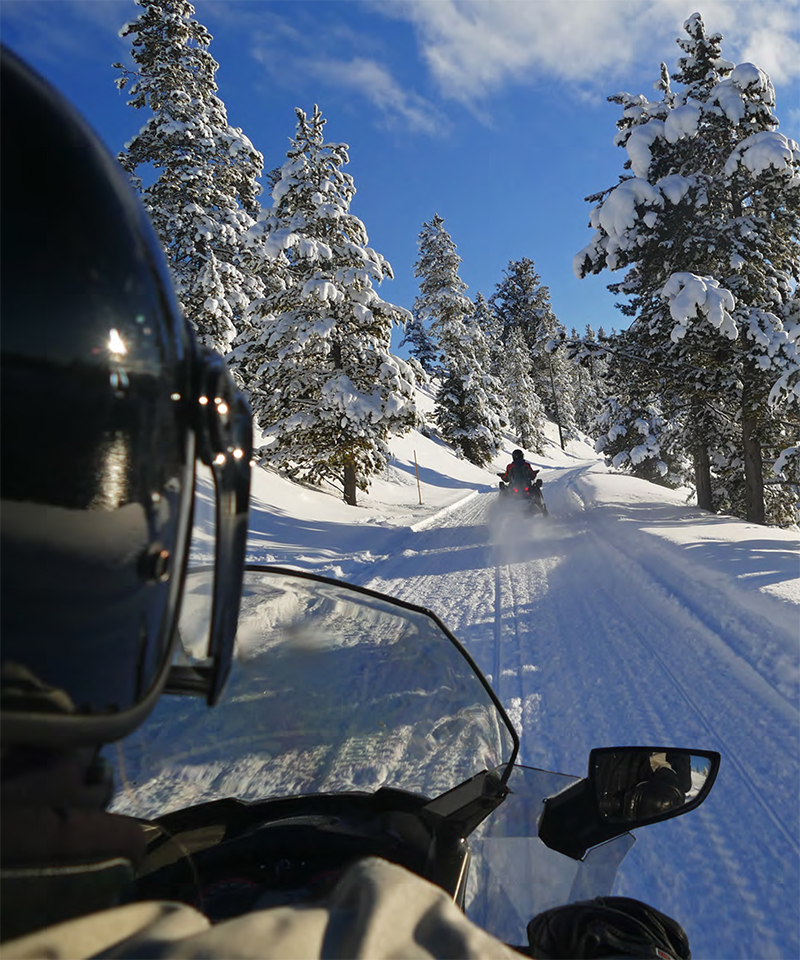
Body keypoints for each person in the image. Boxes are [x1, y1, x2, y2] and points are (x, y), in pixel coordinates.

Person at [0, 48, 690, 960]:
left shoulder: (527, 465)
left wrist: (523, 488)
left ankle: (538, 517)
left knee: (529, 502)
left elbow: (515, 476)